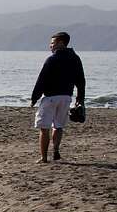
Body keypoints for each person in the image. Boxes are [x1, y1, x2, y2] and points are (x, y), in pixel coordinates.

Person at [30, 31, 86, 163]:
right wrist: (80, 97)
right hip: (66, 97)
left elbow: (41, 79)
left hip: (50, 97)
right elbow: (81, 79)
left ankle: (44, 157)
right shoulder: (75, 58)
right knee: (59, 126)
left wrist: (34, 97)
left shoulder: (52, 59)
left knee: (44, 128)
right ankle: (55, 150)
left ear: (61, 43)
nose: (50, 46)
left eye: (52, 43)